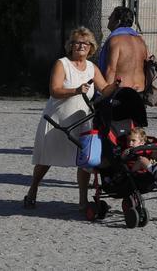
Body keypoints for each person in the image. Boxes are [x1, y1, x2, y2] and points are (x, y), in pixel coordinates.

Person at [25, 27, 118, 213]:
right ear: (70, 46)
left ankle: (82, 201)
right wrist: (76, 90)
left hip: (82, 121)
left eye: (85, 43)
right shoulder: (62, 64)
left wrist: (115, 86)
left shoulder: (92, 68)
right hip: (57, 120)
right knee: (46, 159)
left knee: (84, 161)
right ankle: (33, 189)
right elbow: (54, 90)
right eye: (77, 42)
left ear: (91, 47)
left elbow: (104, 89)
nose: (81, 46)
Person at [102, 6, 150, 92]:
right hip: (140, 90)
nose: (108, 18)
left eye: (111, 16)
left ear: (118, 21)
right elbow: (148, 65)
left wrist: (106, 94)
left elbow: (111, 70)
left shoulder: (115, 40)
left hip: (123, 92)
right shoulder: (141, 41)